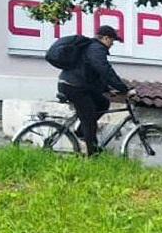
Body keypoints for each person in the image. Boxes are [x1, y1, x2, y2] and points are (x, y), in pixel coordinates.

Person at [57, 25, 136, 156]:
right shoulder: (96, 49)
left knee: (103, 103)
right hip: (74, 87)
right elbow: (105, 70)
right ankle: (92, 155)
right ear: (105, 38)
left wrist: (107, 89)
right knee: (89, 120)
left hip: (74, 84)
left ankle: (82, 130)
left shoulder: (92, 48)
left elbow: (92, 74)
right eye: (112, 41)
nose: (112, 44)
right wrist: (124, 89)